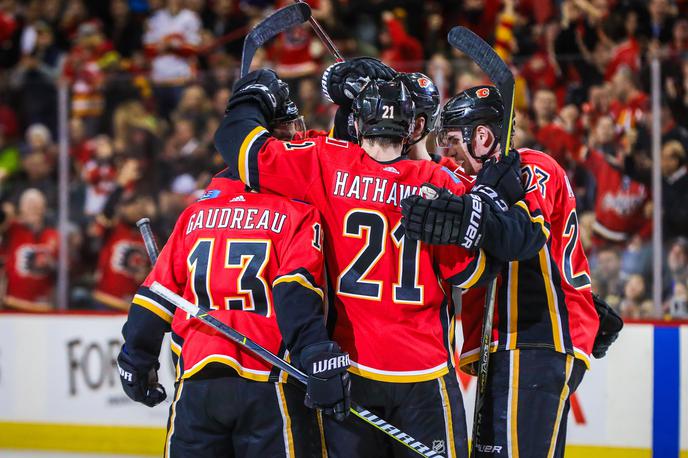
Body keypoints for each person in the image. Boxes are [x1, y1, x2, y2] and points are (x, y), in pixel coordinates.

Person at [215, 59, 524, 457]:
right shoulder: (440, 182)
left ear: (357, 124)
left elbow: (240, 148)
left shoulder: (324, 161)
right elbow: (471, 273)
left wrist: (252, 96)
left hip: (347, 368)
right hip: (423, 372)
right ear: (414, 127)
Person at [401, 85, 622, 457]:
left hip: (534, 339)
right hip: (508, 343)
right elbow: (427, 171)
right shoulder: (476, 180)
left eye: (452, 139)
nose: (447, 150)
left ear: (483, 136)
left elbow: (521, 237)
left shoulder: (532, 166)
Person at [117, 166, 346, 455]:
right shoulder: (297, 212)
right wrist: (315, 354)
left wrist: (136, 360)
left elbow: (154, 298)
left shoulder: (194, 215)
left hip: (197, 382)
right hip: (269, 379)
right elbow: (296, 294)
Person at [0, 188, 58, 311]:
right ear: (21, 209)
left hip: (43, 307)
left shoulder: (52, 235)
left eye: (37, 205)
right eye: (29, 205)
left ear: (44, 208)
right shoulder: (12, 229)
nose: (34, 208)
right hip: (12, 304)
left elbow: (62, 268)